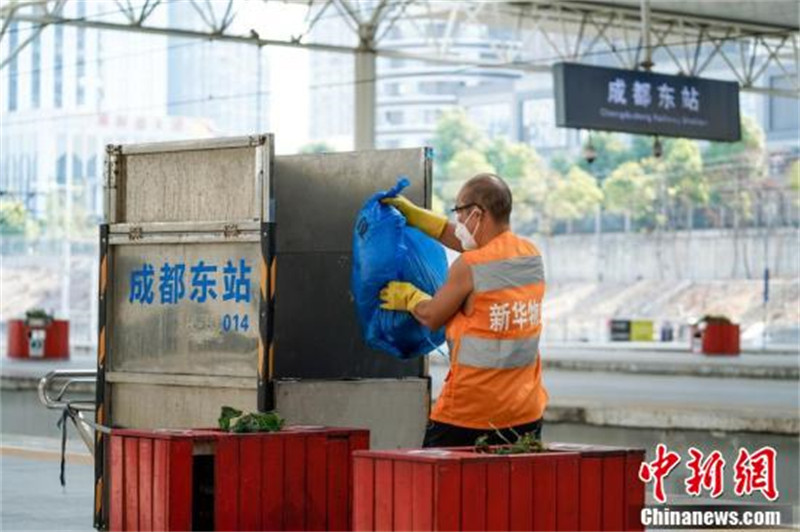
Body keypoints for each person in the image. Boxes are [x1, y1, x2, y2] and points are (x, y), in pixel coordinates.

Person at [380, 173, 549, 448]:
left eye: (460, 214)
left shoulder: (469, 266)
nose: (458, 223)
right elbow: (477, 245)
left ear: (477, 214)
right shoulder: (529, 254)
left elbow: (432, 316)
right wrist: (415, 215)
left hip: (469, 414)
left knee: (431, 486)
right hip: (524, 412)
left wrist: (409, 297)